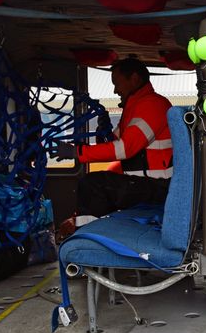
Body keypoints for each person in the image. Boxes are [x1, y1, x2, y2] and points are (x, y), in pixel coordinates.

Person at [50, 58, 173, 237]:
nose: (115, 90)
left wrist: (76, 152)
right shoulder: (136, 107)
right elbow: (114, 143)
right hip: (145, 184)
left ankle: (87, 237)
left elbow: (125, 149)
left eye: (117, 84)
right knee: (100, 185)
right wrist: (104, 134)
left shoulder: (152, 105)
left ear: (135, 79)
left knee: (92, 184)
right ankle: (93, 232)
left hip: (158, 187)